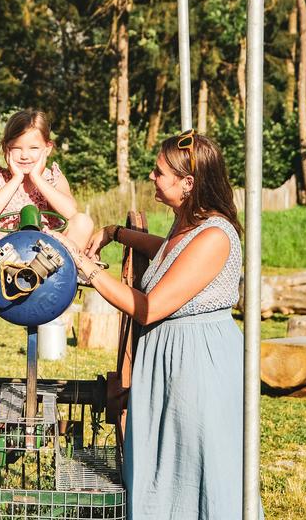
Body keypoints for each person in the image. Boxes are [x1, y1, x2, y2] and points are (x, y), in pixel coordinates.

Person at [50, 130, 259, 519]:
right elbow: (166, 253)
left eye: (160, 172)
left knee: (199, 460)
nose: (151, 176)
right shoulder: (188, 225)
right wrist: (115, 233)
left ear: (188, 183)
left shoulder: (215, 236)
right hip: (173, 360)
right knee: (168, 461)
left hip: (199, 365)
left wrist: (86, 268)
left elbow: (148, 309)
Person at [0, 109, 93, 260]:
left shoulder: (53, 177)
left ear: (47, 148)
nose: (24, 156)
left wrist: (37, 178)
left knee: (83, 221)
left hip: (51, 254)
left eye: (34, 148)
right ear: (6, 148)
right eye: (17, 148)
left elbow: (71, 212)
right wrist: (16, 178)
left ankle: (62, 268)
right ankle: (9, 268)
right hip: (8, 254)